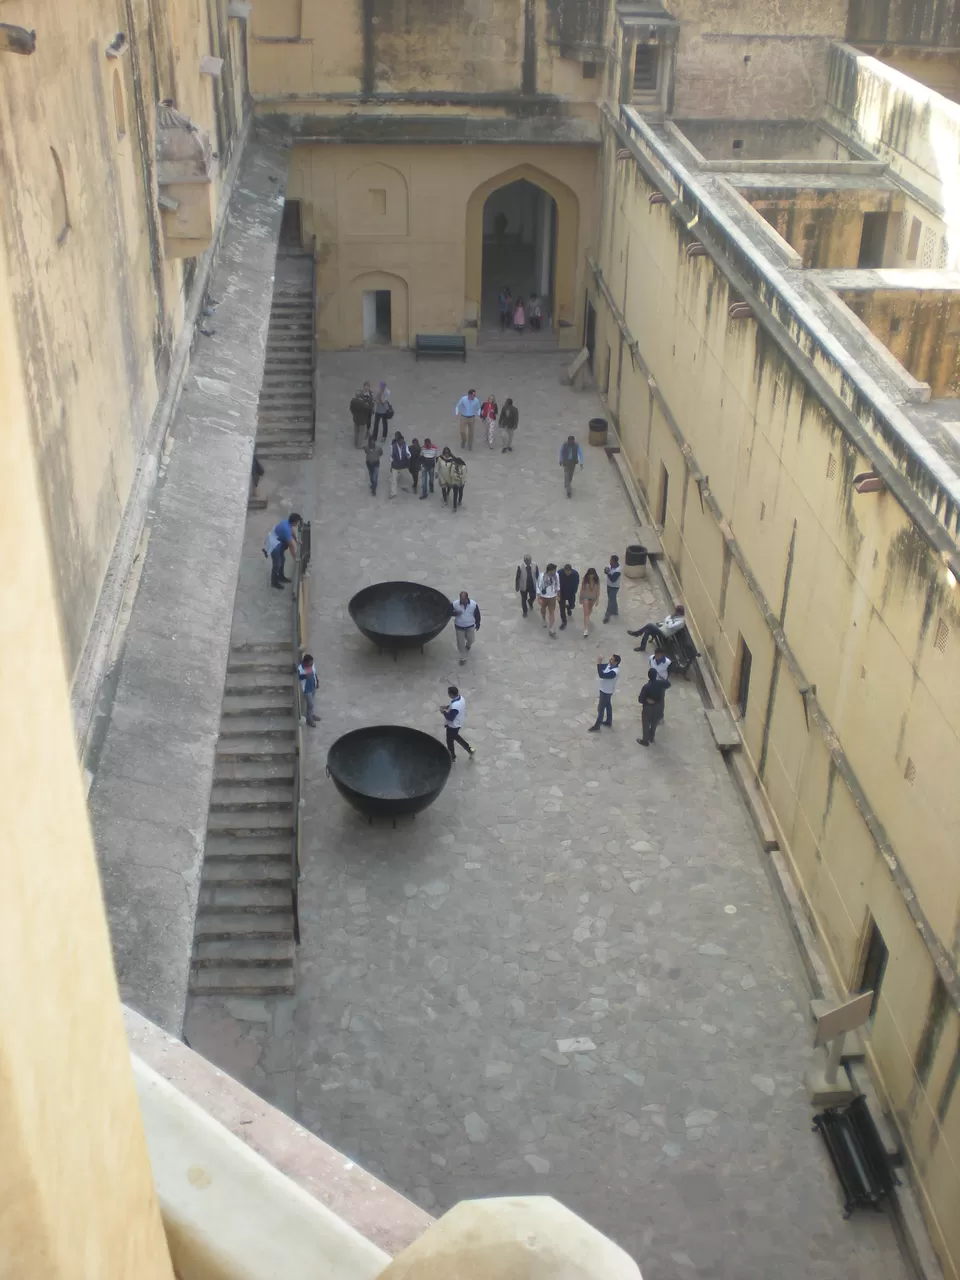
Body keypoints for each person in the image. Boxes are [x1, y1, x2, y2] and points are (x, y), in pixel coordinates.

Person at [262, 512, 302, 590]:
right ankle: (274, 582)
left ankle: (281, 576)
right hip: (275, 545)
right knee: (277, 564)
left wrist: (296, 540)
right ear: (294, 522)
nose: (297, 523)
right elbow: (291, 546)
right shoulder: (286, 529)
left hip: (278, 541)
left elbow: (292, 531)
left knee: (282, 560)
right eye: (297, 522)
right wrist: (295, 558)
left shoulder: (287, 522)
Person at [441, 685, 476, 762]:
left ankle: (452, 756)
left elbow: (450, 718)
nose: (448, 694)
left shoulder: (455, 706)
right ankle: (470, 750)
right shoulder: (461, 698)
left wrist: (443, 712)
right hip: (459, 722)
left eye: (448, 693)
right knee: (456, 737)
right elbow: (453, 706)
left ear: (451, 694)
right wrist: (447, 707)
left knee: (450, 741)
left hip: (453, 726)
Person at [588, 652, 621, 732]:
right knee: (608, 705)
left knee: (601, 708)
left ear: (616, 662)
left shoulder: (614, 672)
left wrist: (598, 663)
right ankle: (608, 721)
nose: (610, 660)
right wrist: (600, 664)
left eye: (612, 659)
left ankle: (597, 726)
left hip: (606, 691)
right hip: (604, 689)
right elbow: (602, 668)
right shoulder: (609, 665)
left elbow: (602, 675)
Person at [637, 670, 671, 746]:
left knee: (646, 724)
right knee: (654, 722)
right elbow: (668, 684)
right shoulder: (660, 684)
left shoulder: (646, 687)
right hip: (657, 707)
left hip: (648, 708)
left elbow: (640, 700)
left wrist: (646, 700)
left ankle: (645, 740)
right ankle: (651, 737)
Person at [452, 591, 480, 666]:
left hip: (470, 626)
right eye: (461, 599)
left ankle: (468, 645)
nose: (462, 601)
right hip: (459, 626)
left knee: (471, 639)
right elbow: (448, 612)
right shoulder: (455, 604)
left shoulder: (473, 604)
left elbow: (477, 614)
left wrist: (478, 623)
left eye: (463, 599)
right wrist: (455, 613)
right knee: (460, 643)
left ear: (467, 598)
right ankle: (463, 657)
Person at [537, 563, 561, 637]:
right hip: (543, 596)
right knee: (543, 609)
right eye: (554, 570)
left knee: (552, 612)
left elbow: (558, 585)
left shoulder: (556, 575)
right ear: (549, 571)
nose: (555, 572)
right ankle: (544, 618)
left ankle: (551, 628)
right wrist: (538, 597)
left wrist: (558, 595)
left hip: (552, 596)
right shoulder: (541, 576)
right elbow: (538, 586)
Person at [350, 383, 374, 449]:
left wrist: (354, 414)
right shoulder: (363, 404)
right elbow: (369, 409)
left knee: (356, 431)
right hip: (362, 420)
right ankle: (359, 445)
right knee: (361, 433)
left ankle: (355, 442)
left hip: (355, 418)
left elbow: (351, 409)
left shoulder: (353, 401)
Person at [297, 653, 318, 728]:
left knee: (312, 703)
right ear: (305, 662)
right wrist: (305, 676)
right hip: (307, 690)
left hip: (313, 687)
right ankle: (309, 720)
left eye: (312, 663)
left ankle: (311, 715)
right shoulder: (300, 668)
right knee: (310, 705)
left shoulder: (312, 665)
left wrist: (317, 682)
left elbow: (315, 673)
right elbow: (299, 677)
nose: (311, 664)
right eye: (310, 663)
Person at [558, 563, 580, 631]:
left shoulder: (575, 574)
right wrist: (557, 593)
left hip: (571, 593)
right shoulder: (559, 573)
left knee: (572, 606)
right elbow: (556, 583)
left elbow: (577, 583)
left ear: (571, 570)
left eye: (569, 572)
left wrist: (574, 591)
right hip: (562, 593)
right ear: (564, 570)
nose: (567, 573)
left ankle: (568, 607)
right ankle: (564, 621)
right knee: (561, 608)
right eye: (566, 572)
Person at [580, 567, 600, 636]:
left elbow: (598, 590)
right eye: (590, 575)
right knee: (586, 613)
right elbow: (582, 589)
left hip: (593, 598)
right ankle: (586, 629)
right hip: (585, 598)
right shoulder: (585, 580)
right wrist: (580, 598)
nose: (591, 576)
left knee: (589, 611)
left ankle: (587, 619)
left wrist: (597, 599)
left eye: (592, 575)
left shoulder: (597, 580)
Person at [389, 431, 410, 498]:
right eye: (401, 441)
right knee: (393, 480)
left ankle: (404, 487)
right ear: (397, 441)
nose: (402, 442)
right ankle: (393, 493)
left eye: (402, 441)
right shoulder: (393, 446)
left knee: (404, 477)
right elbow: (391, 456)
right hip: (395, 466)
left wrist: (408, 455)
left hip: (403, 465)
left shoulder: (405, 446)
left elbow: (408, 454)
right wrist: (392, 461)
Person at [603, 555, 621, 623]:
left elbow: (613, 579)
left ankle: (607, 616)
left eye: (611, 560)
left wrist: (607, 573)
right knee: (612, 599)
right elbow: (607, 569)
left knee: (610, 601)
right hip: (609, 586)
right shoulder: (610, 565)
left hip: (614, 588)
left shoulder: (618, 570)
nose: (610, 561)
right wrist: (606, 570)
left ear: (615, 562)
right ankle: (615, 611)